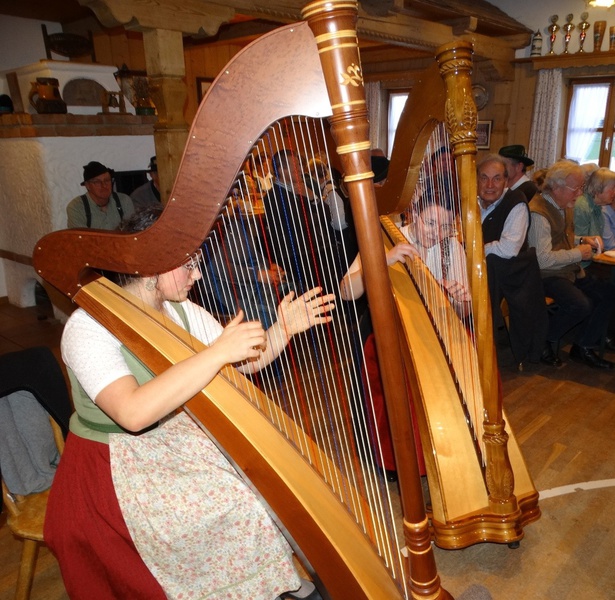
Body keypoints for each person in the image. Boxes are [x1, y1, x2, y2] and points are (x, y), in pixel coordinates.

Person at [44, 205, 334, 599]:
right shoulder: (88, 326)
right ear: (152, 268)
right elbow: (132, 413)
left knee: (266, 482)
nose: (197, 275)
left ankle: (270, 582)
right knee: (235, 502)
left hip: (174, 436)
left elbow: (242, 364)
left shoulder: (179, 308)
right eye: (189, 265)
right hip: (116, 458)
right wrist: (216, 353)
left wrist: (283, 329)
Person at [340, 196, 470, 480]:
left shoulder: (452, 247)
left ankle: (441, 450)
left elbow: (464, 312)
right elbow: (346, 291)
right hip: (384, 327)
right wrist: (381, 260)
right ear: (412, 215)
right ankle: (389, 457)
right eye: (430, 223)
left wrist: (458, 299)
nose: (436, 233)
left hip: (432, 328)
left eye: (445, 227)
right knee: (390, 380)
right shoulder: (383, 239)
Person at [528, 160, 615, 369]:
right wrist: (578, 253)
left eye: (581, 187)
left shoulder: (562, 205)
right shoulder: (538, 213)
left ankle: (583, 346)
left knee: (608, 293)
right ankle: (542, 340)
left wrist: (581, 240)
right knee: (581, 304)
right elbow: (542, 259)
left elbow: (560, 237)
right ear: (557, 187)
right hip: (544, 275)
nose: (580, 193)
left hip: (564, 271)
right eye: (576, 188)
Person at [477, 154, 548, 369]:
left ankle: (483, 343)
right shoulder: (470, 201)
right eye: (484, 178)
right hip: (483, 268)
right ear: (476, 180)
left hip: (514, 274)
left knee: (487, 274)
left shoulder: (516, 203)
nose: (490, 185)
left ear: (506, 182)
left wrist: (475, 251)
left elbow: (508, 249)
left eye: (497, 178)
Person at [264, 149, 333, 295]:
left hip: (313, 249)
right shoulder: (273, 197)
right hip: (298, 256)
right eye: (297, 166)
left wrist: (313, 197)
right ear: (282, 170)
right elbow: (299, 225)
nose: (301, 170)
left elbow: (328, 215)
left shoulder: (301, 189)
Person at [66, 161, 134, 229]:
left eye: (107, 180)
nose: (104, 185)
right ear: (87, 185)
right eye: (97, 182)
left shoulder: (124, 201)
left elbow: (132, 231)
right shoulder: (76, 208)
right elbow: (81, 235)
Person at [574, 166, 615, 267]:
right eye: (612, 188)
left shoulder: (598, 206)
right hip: (581, 266)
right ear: (598, 188)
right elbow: (578, 243)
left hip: (592, 263)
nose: (614, 193)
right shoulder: (582, 206)